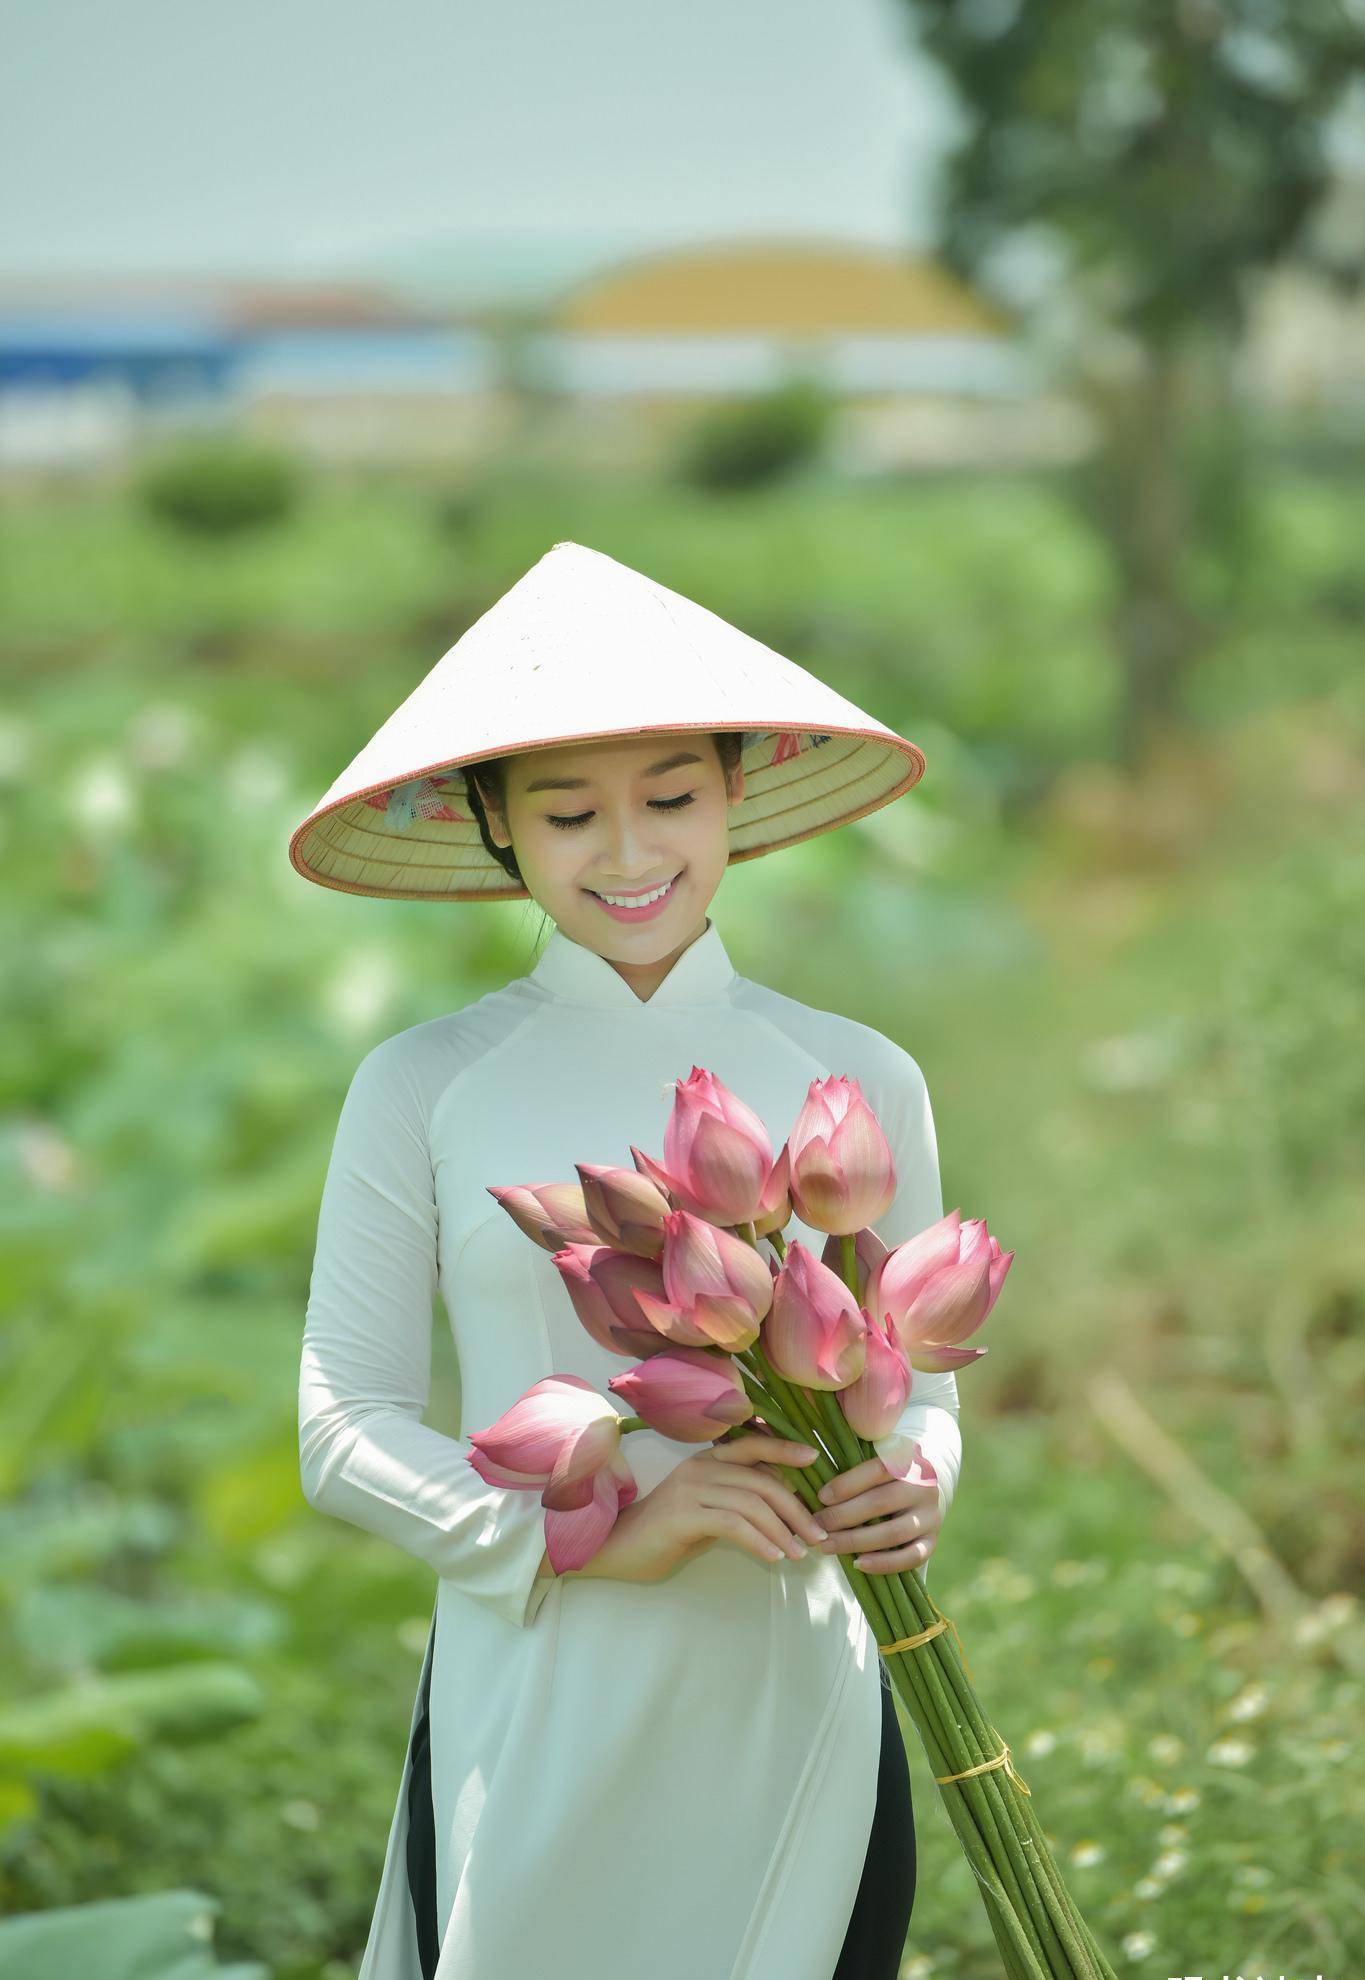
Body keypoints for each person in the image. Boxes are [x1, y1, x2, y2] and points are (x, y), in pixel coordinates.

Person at [292, 542, 964, 1980]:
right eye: (568, 811)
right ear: (495, 828)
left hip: (799, 1691)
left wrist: (917, 1486)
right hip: (535, 1694)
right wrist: (589, 1541)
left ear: (736, 793)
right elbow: (341, 1431)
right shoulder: (422, 1084)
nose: (628, 852)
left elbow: (921, 1391)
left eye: (669, 797)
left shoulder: (853, 1077)